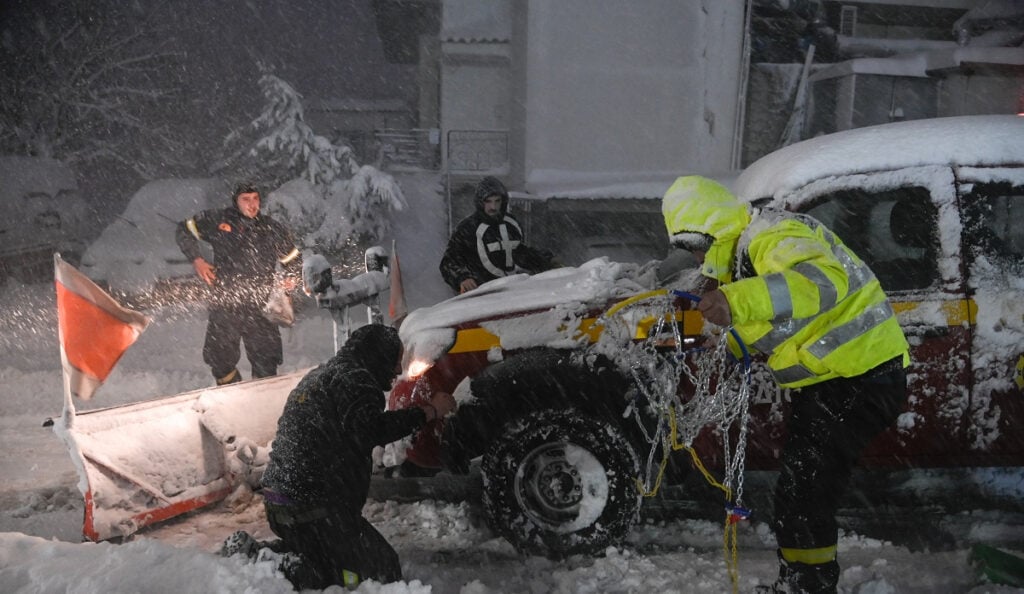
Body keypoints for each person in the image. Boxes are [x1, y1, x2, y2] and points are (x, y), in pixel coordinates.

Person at [661, 176, 909, 594]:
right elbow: (783, 319)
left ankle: (807, 586)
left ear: (710, 228)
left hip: (860, 377)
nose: (699, 256)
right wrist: (728, 341)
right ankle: (802, 582)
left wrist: (735, 302)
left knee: (805, 493)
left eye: (695, 244)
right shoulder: (750, 256)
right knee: (801, 492)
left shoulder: (773, 236)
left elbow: (822, 282)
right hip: (841, 380)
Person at [258, 324, 457, 589]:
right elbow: (371, 428)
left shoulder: (322, 375)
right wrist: (429, 411)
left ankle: (281, 556)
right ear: (377, 357)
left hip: (281, 504)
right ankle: (276, 565)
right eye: (395, 362)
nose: (398, 371)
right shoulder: (357, 380)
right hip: (313, 510)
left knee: (331, 555)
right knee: (381, 570)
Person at [175, 182, 301, 385]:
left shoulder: (270, 228)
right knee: (220, 361)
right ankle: (232, 400)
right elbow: (183, 229)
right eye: (246, 199)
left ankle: (260, 404)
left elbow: (293, 258)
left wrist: (292, 277)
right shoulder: (219, 221)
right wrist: (197, 259)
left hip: (262, 305)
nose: (252, 204)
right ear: (236, 201)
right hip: (226, 302)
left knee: (266, 363)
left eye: (255, 199)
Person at [440, 176, 555, 294]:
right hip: (479, 294)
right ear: (480, 202)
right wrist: (462, 278)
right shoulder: (467, 228)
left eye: (497, 201)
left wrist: (545, 261)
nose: (493, 207)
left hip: (511, 291)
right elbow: (449, 261)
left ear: (503, 201)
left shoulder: (511, 224)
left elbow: (518, 253)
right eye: (488, 201)